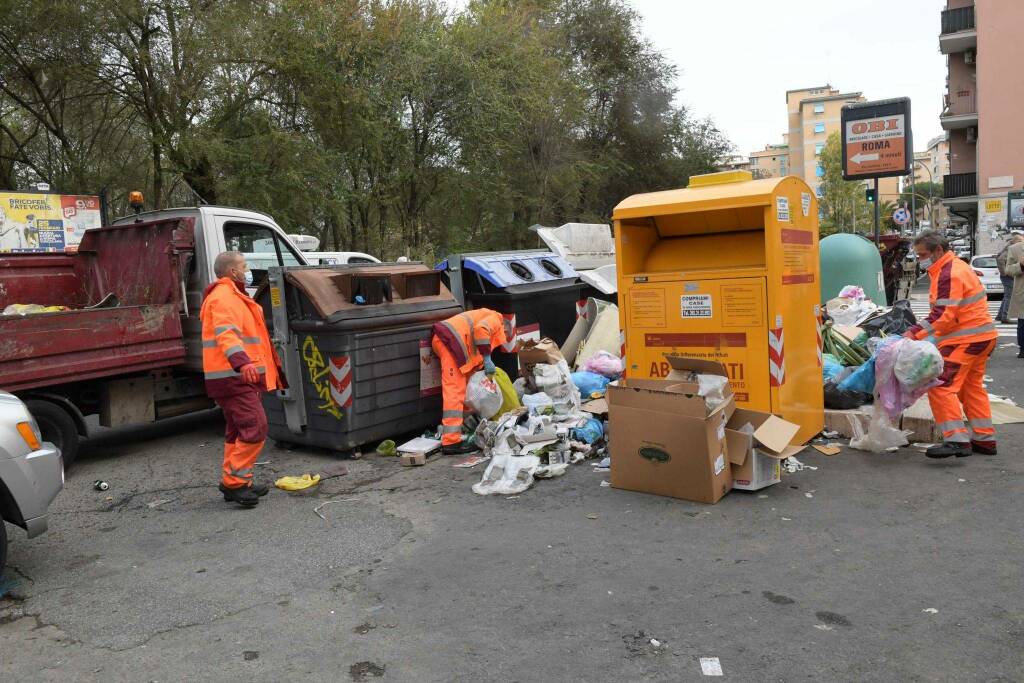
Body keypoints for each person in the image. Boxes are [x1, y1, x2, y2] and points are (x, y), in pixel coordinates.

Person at [200, 251, 286, 506]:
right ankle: (235, 483)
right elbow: (227, 334)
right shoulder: (224, 298)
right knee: (255, 426)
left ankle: (237, 480)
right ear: (232, 272)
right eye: (244, 266)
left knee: (237, 429)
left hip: (234, 377)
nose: (247, 270)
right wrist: (243, 362)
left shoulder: (233, 295)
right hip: (233, 377)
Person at [904, 231, 997, 458]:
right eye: (917, 255)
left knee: (940, 386)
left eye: (923, 254)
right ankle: (985, 440)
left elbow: (943, 314)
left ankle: (956, 440)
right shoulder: (956, 267)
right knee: (970, 389)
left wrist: (912, 334)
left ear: (938, 250)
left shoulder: (948, 272)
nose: (920, 259)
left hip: (965, 339)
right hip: (981, 337)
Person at [431, 308, 511, 455]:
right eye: (504, 335)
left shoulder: (487, 316)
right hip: (450, 342)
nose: (500, 340)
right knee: (454, 390)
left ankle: (465, 426)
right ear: (504, 328)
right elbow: (481, 330)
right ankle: (451, 442)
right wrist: (487, 358)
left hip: (451, 342)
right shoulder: (495, 318)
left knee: (466, 388)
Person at [1004, 235, 1024, 359]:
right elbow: (1008, 270)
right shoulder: (1015, 249)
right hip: (1022, 292)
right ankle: (1023, 348)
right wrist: (1021, 265)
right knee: (1022, 323)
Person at [995, 232, 1022, 323]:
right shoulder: (1010, 249)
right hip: (1008, 276)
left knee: (1007, 295)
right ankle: (1005, 317)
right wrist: (1004, 272)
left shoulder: (1008, 248)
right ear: (1017, 242)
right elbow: (1000, 259)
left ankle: (1000, 315)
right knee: (1009, 296)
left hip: (1007, 276)